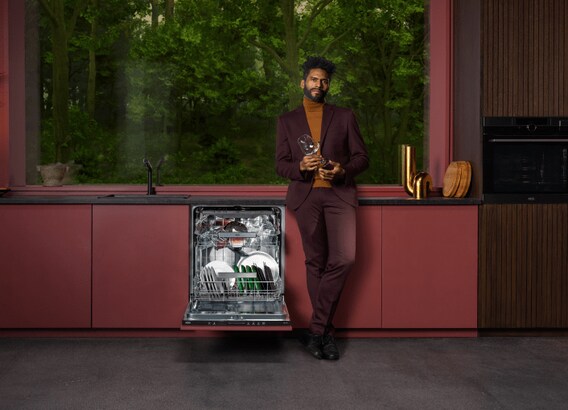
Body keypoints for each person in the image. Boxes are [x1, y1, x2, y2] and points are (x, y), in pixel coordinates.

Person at [275, 56, 369, 360]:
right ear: (303, 82)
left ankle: (316, 330)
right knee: (315, 262)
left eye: (324, 80)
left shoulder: (344, 116)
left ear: (329, 85)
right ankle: (326, 336)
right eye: (314, 79)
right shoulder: (287, 121)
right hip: (306, 198)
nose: (319, 84)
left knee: (344, 258)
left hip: (338, 196)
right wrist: (300, 166)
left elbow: (362, 158)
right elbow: (280, 165)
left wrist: (342, 170)